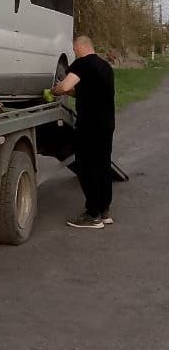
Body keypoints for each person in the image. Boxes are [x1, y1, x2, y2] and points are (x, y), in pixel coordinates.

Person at [51, 35, 115, 229]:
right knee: (103, 165)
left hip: (89, 126)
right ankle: (104, 211)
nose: (74, 53)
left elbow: (66, 86)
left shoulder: (82, 64)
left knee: (87, 167)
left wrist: (56, 90)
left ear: (80, 48)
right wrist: (70, 92)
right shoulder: (105, 67)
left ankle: (92, 214)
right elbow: (84, 90)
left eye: (74, 49)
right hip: (106, 125)